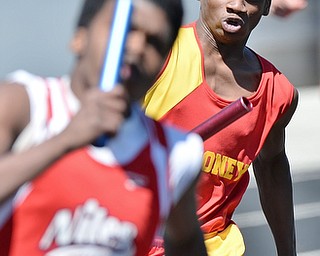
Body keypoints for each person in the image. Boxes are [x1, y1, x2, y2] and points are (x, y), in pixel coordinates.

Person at [0, 0, 208, 255]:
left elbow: (187, 242)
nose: (137, 47)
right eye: (127, 30)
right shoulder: (26, 105)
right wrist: (66, 139)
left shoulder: (175, 153)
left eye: (154, 42)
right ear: (79, 38)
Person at [144, 0, 299, 255]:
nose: (237, 5)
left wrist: (287, 252)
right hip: (137, 236)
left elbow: (271, 166)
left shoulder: (276, 92)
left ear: (266, 6)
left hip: (214, 245)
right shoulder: (158, 53)